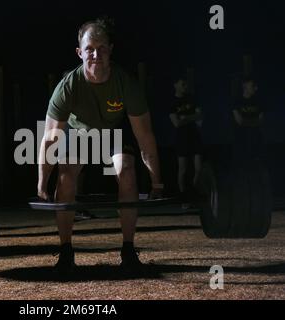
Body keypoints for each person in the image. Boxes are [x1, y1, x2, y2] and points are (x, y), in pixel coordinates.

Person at [37, 18, 163, 275]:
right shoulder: (68, 87)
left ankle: (128, 250)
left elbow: (145, 137)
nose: (96, 54)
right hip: (80, 133)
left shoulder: (125, 83)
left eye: (102, 48)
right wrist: (41, 183)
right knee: (66, 173)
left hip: (113, 131)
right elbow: (50, 139)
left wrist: (157, 183)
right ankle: (66, 252)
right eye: (90, 49)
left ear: (111, 49)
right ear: (79, 52)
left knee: (126, 170)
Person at [169, 76, 203, 209]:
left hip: (194, 136)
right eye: (182, 84)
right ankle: (184, 198)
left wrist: (186, 118)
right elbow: (176, 123)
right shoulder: (173, 103)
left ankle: (193, 194)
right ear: (175, 85)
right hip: (182, 138)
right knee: (182, 170)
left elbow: (200, 116)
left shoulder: (192, 99)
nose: (185, 86)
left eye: (186, 84)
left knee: (198, 168)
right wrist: (192, 117)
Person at [231, 77, 264, 162]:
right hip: (241, 142)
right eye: (253, 85)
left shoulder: (259, 101)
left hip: (256, 142)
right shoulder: (236, 101)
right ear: (244, 85)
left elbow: (260, 121)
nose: (255, 88)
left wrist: (247, 122)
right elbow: (239, 122)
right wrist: (253, 121)